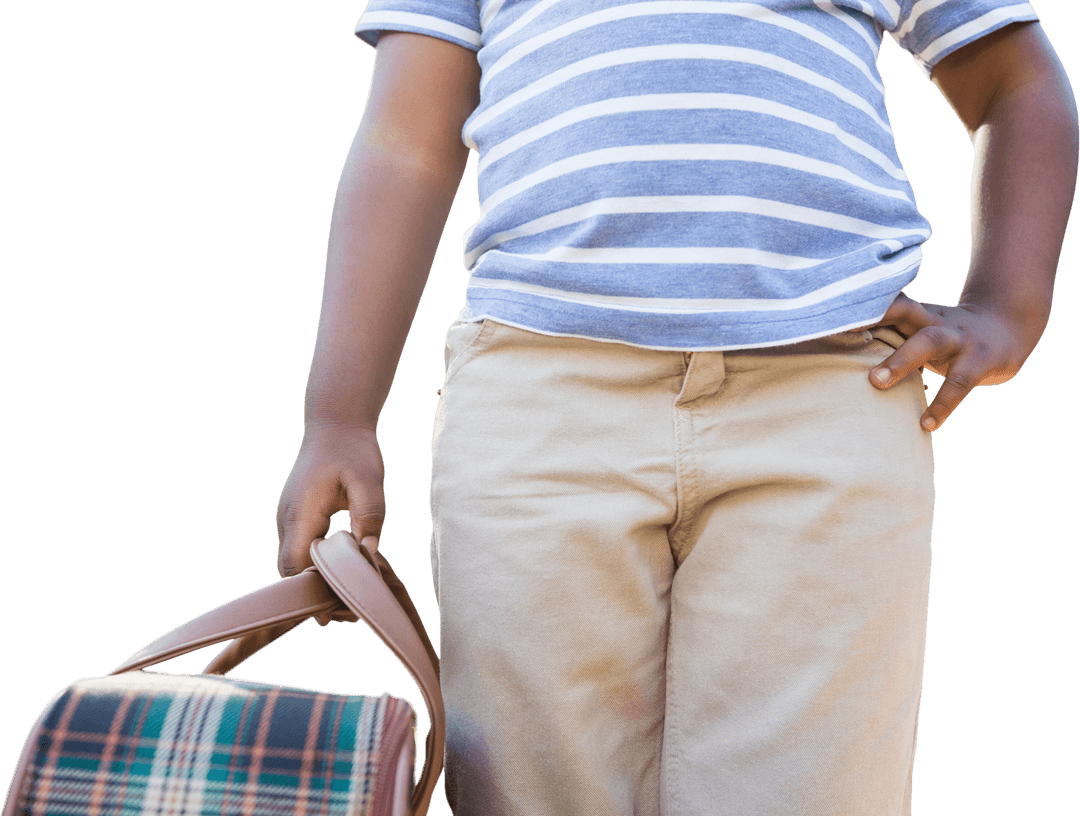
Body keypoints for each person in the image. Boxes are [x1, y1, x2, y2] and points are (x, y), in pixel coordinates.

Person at [276, 2, 1077, 814]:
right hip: (541, 403)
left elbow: (1016, 81)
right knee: (532, 789)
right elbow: (405, 144)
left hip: (829, 393)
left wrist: (1006, 304)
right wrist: (340, 416)